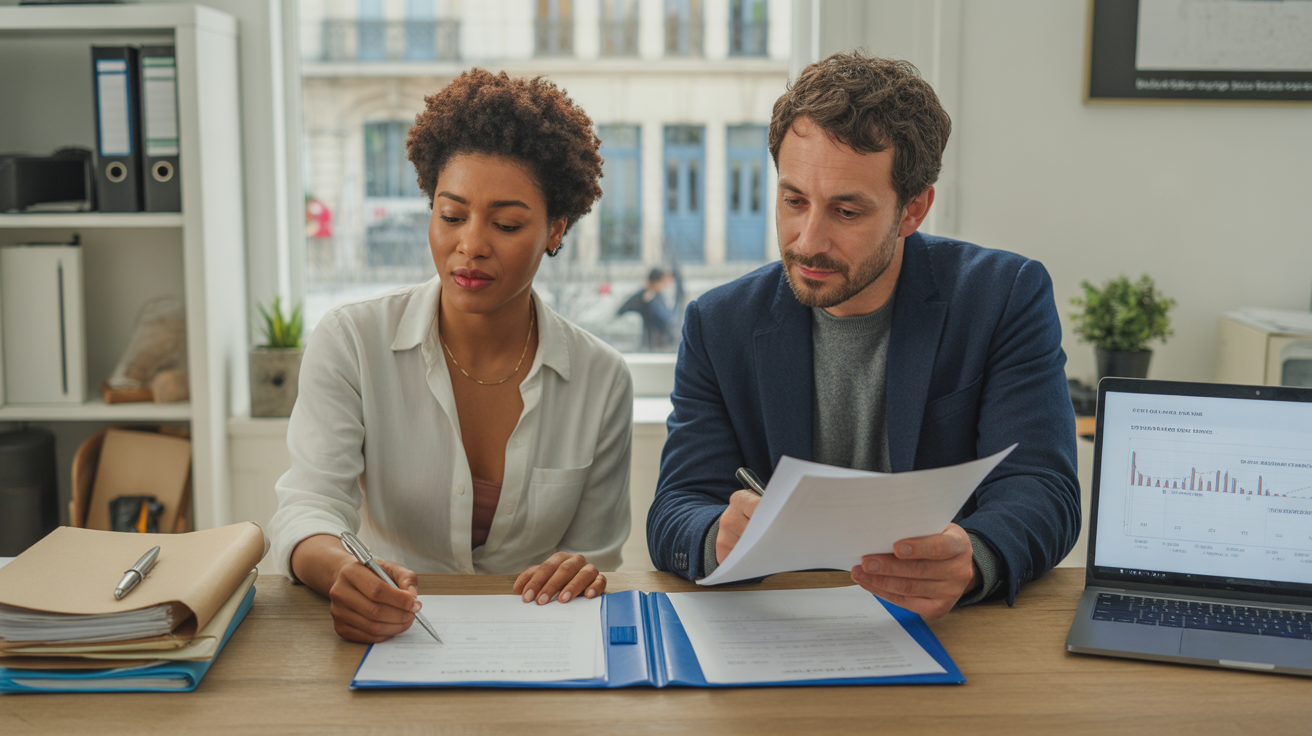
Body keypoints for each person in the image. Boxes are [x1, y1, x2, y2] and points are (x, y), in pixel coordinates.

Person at [646, 52, 1079, 618]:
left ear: (913, 209)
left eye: (846, 211)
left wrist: (974, 557)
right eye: (793, 200)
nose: (808, 240)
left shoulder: (1003, 297)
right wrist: (716, 536)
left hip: (946, 627)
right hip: (779, 626)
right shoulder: (719, 323)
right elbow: (676, 507)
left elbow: (1043, 486)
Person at [269, 70, 634, 644]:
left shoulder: (601, 378)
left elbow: (595, 554)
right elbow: (308, 508)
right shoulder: (351, 342)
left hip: (540, 650)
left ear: (555, 229)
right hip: (393, 639)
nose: (471, 245)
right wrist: (343, 571)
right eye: (451, 214)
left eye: (507, 223)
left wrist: (580, 569)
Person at [617, 267, 676, 350]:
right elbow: (661, 317)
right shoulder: (648, 297)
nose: (664, 285)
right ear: (655, 282)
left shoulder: (655, 295)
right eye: (662, 282)